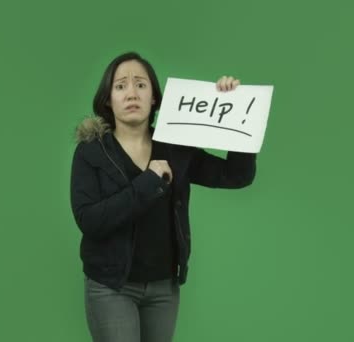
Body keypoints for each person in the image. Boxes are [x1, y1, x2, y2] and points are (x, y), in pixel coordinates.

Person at [70, 51, 257, 342]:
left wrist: (235, 108)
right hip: (111, 286)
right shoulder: (91, 152)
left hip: (164, 288)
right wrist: (148, 182)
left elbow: (236, 176)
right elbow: (90, 220)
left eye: (141, 85)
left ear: (154, 97)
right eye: (121, 86)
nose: (132, 93)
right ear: (108, 99)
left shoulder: (175, 147)